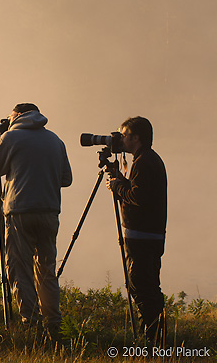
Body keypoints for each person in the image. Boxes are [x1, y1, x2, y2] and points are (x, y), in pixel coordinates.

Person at [0, 103, 72, 339]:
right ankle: (54, 324)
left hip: (19, 212)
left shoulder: (11, 138)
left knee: (20, 270)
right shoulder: (55, 140)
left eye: (10, 117)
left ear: (18, 115)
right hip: (49, 212)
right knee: (46, 271)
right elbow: (66, 179)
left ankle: (30, 325)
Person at [106, 116, 167, 343]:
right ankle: (156, 333)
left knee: (140, 285)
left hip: (142, 236)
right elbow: (141, 192)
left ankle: (151, 337)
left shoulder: (143, 162)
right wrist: (123, 181)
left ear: (136, 137)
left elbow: (138, 197)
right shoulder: (149, 159)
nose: (121, 139)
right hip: (151, 234)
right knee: (149, 284)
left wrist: (117, 186)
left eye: (124, 135)